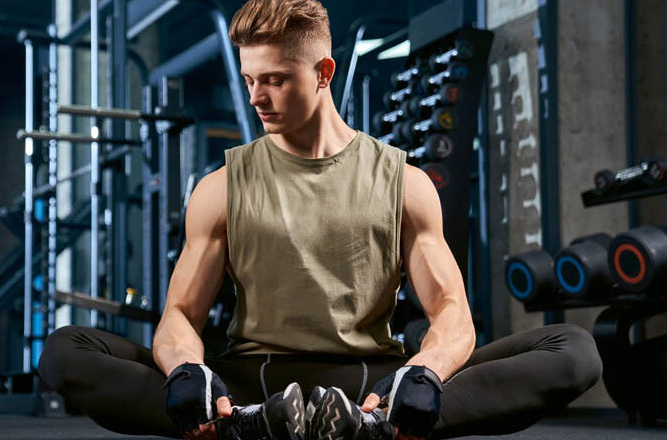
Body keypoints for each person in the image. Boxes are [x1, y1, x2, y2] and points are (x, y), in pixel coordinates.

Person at [38, 1, 602, 439]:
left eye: (275, 79)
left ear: (324, 72)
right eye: (249, 79)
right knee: (65, 350)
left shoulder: (402, 183)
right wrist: (188, 371)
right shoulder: (221, 189)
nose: (257, 96)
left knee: (573, 349)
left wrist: (424, 373)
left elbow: (452, 312)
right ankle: (252, 424)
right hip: (249, 382)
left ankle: (378, 426)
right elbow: (180, 313)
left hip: (368, 382)